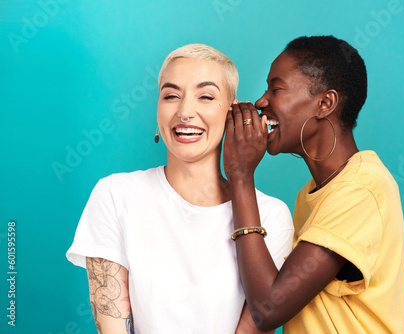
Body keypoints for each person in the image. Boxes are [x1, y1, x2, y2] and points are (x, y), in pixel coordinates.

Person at [66, 44, 294, 334]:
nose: (185, 112)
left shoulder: (271, 216)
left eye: (206, 96)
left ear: (232, 112)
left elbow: (256, 324)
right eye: (171, 96)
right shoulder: (115, 195)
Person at [223, 36, 404, 333]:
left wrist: (240, 176)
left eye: (276, 89)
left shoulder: (361, 190)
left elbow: (268, 308)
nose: (261, 101)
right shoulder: (311, 194)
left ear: (325, 103)